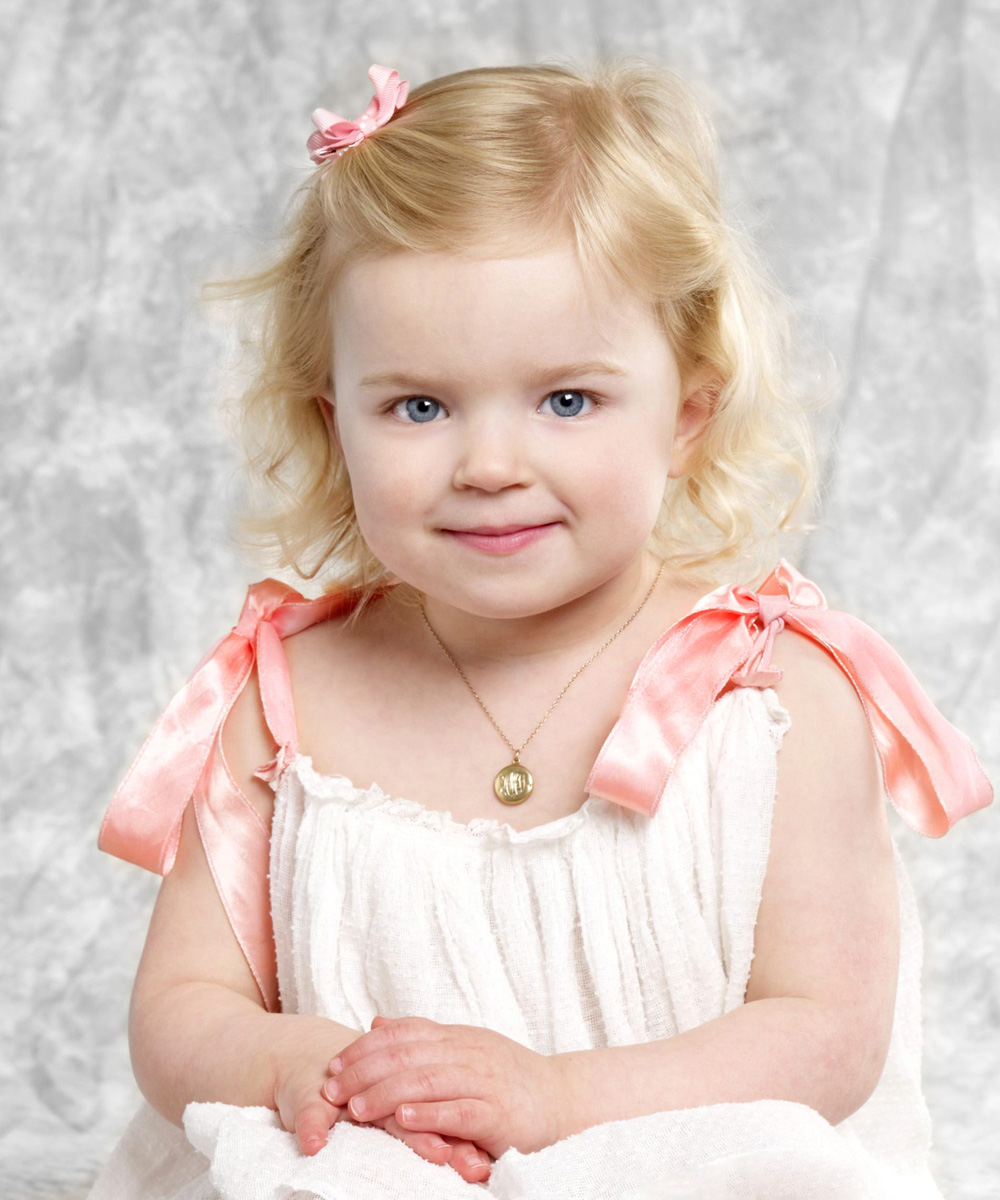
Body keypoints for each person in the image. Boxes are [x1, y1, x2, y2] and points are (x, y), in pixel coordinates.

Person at [86, 59, 993, 1200]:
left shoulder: (770, 696)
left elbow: (825, 1036)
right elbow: (178, 1007)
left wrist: (555, 1098)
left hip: (683, 1159)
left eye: (567, 400)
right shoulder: (285, 699)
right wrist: (283, 1061)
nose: (490, 466)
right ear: (337, 421)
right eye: (418, 406)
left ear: (687, 414)